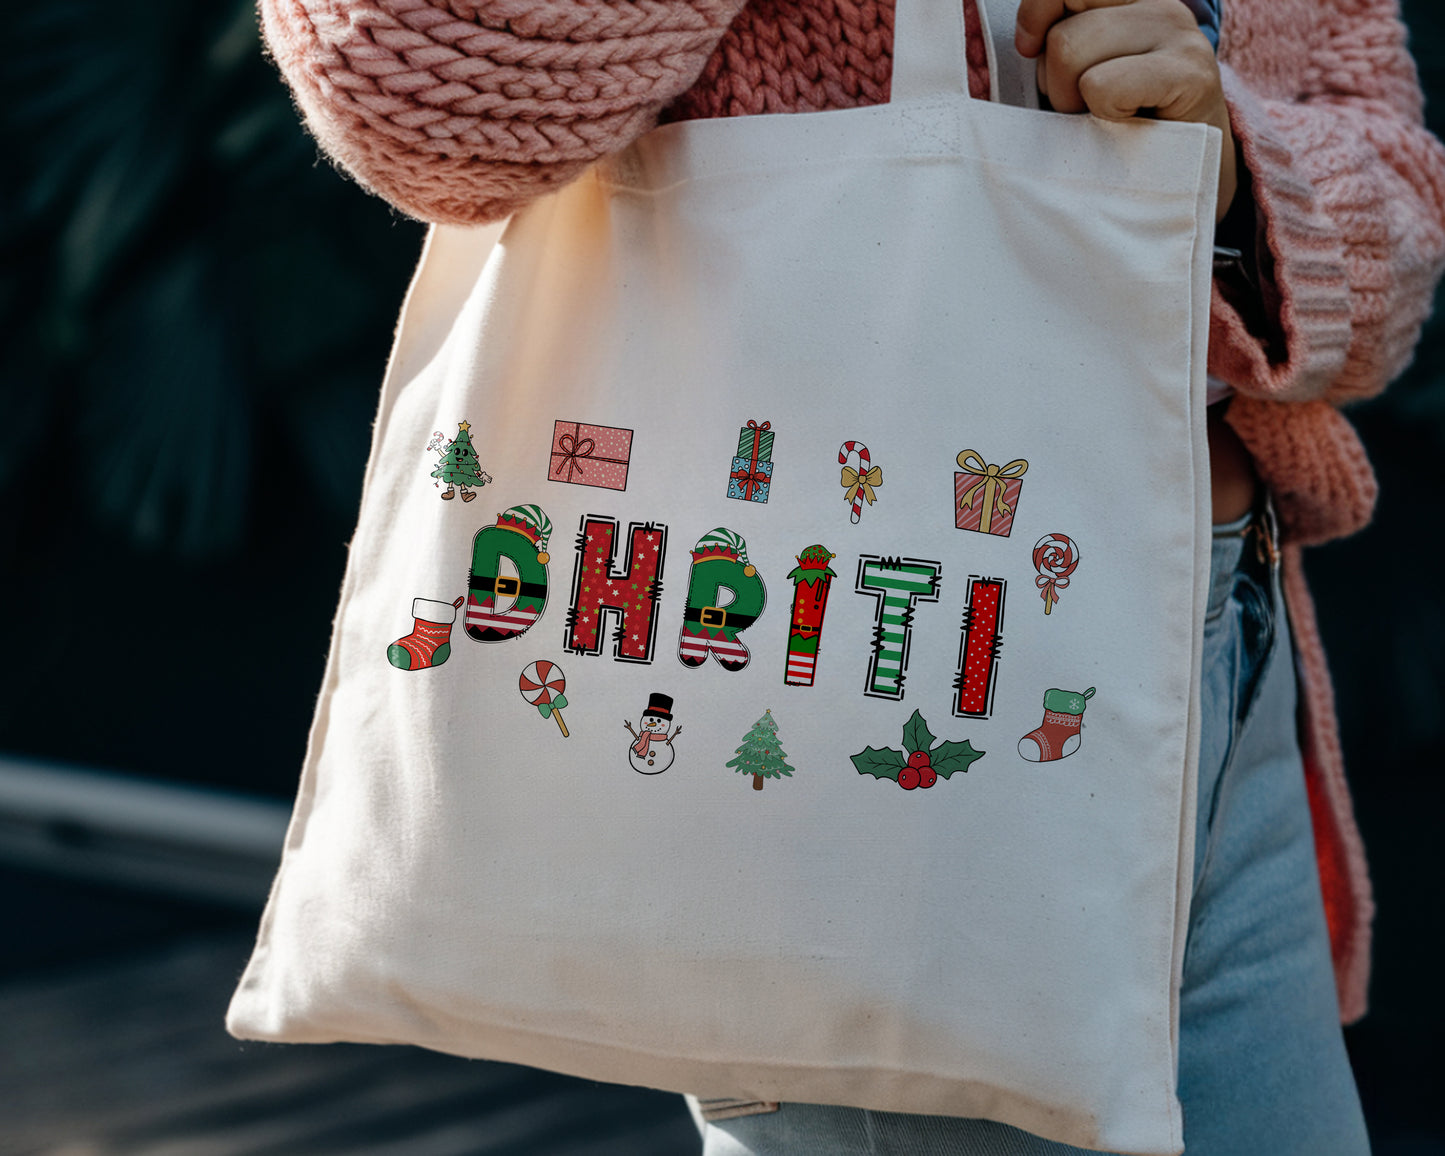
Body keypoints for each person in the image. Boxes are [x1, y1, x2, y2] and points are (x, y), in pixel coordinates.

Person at [256, 0, 1445, 1149]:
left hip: (1226, 668)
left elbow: (1388, 230)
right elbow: (405, 80)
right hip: (862, 690)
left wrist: (1232, 162)